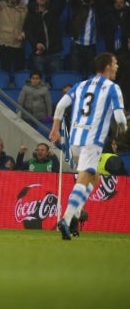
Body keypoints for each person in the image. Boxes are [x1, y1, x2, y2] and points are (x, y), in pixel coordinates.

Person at [49, 53, 127, 240]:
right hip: (93, 139)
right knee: (84, 177)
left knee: (94, 178)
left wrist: (55, 129)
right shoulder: (112, 87)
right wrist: (123, 129)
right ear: (108, 66)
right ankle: (67, 218)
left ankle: (76, 214)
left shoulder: (81, 85)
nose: (117, 67)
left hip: (75, 138)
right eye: (115, 63)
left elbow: (60, 105)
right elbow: (120, 118)